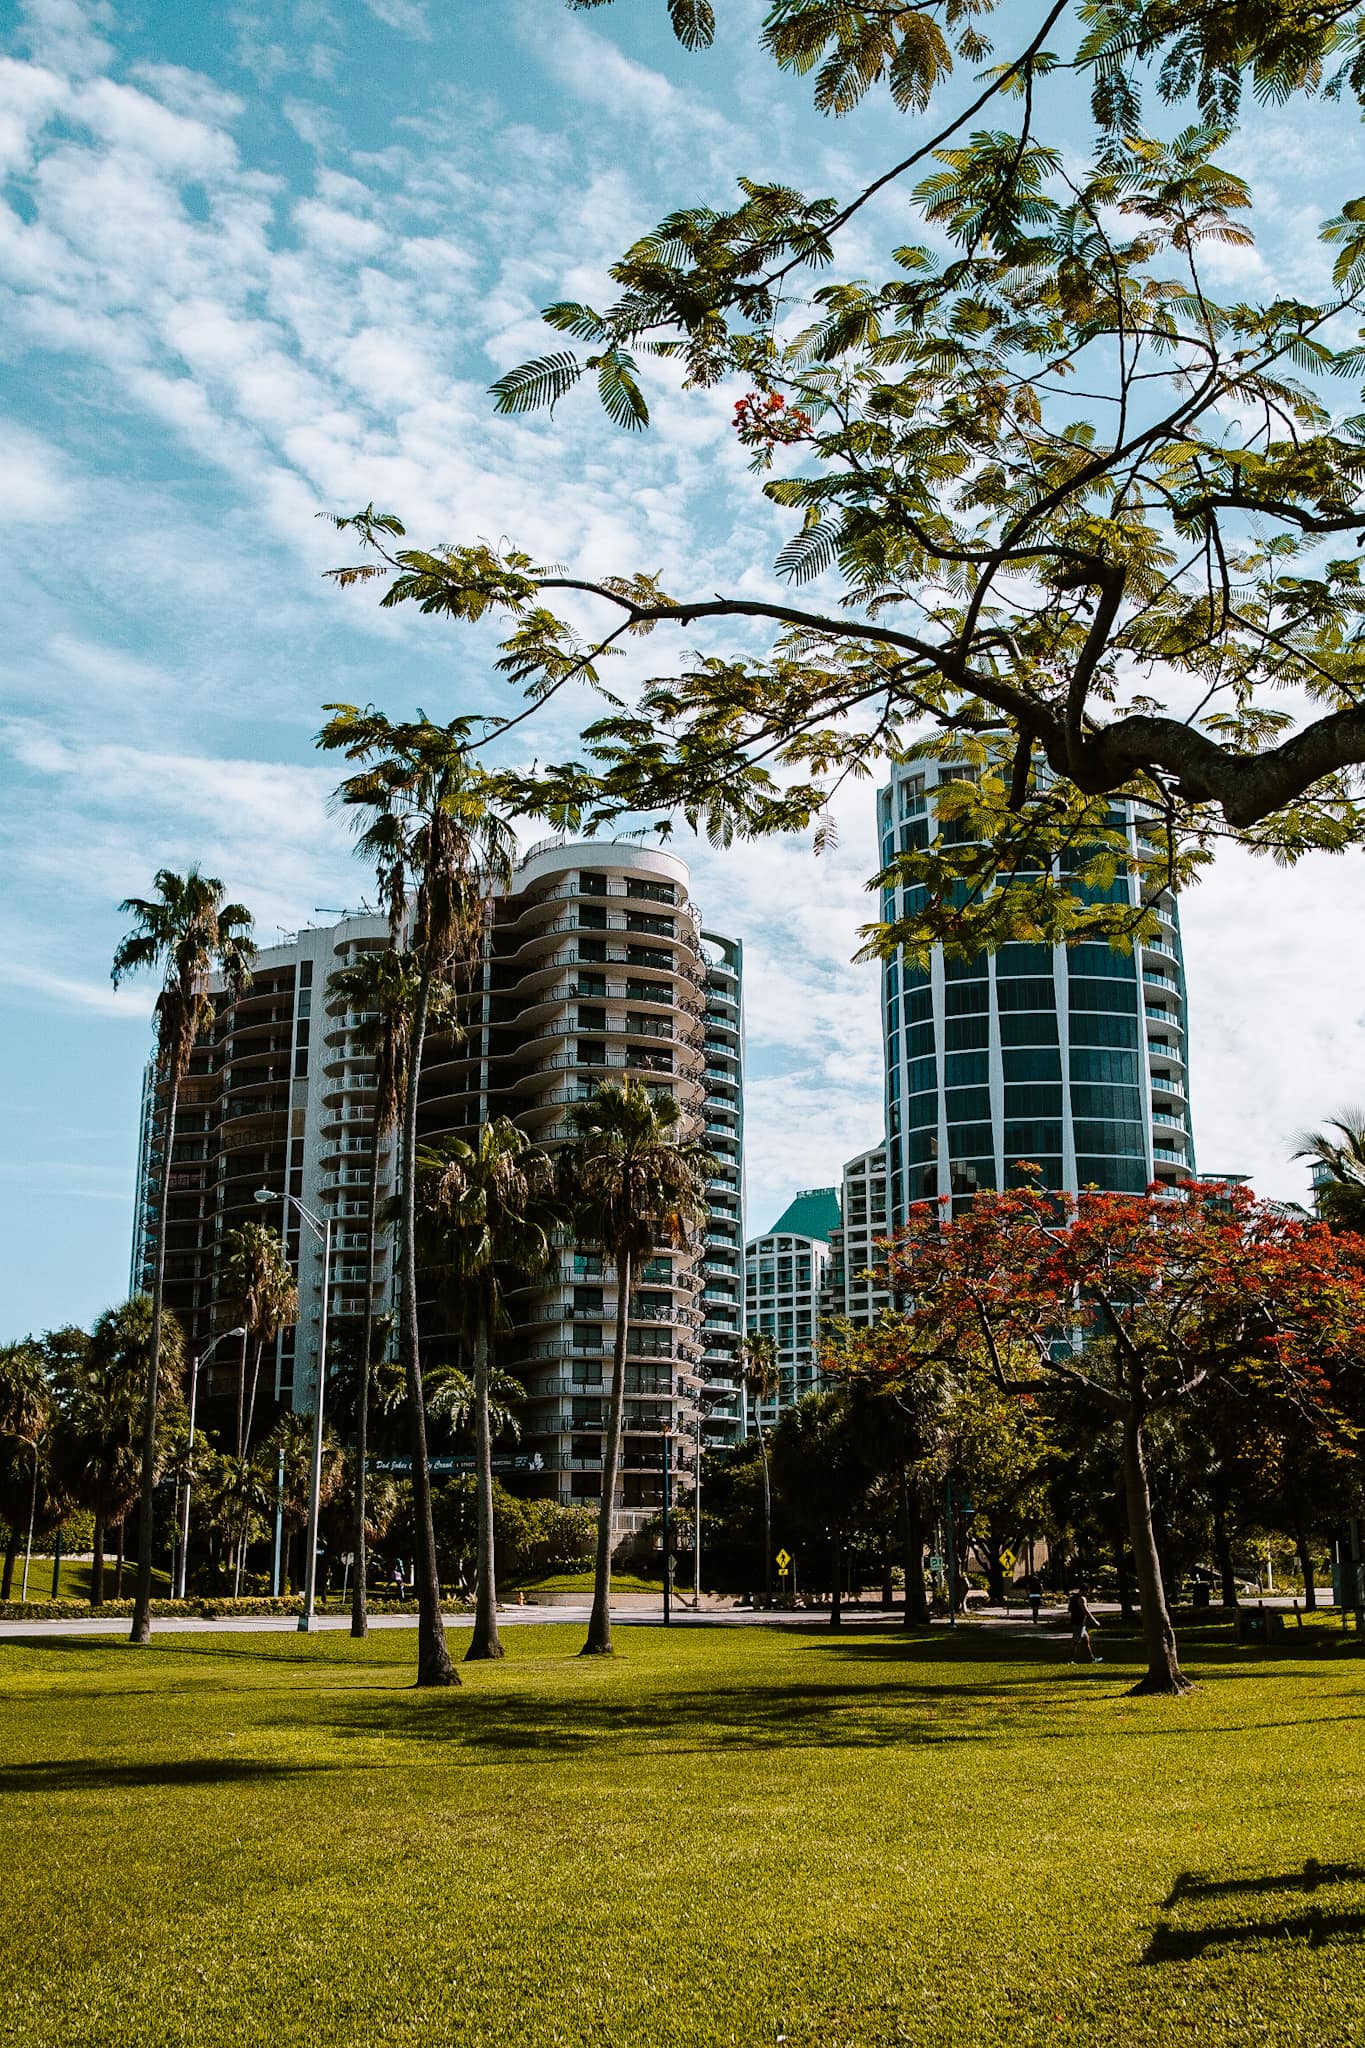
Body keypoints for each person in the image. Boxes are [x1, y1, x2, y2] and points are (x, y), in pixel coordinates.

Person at [1067, 1586, 1101, 1663]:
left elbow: (1069, 1609)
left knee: (1086, 1640)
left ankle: (1092, 1659)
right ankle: (1070, 1660)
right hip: (1079, 1623)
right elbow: (1086, 1611)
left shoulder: (1073, 1598)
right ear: (1084, 1590)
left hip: (1075, 1621)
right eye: (1087, 1591)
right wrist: (1095, 1621)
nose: (1087, 1593)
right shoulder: (1082, 1599)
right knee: (1075, 1642)